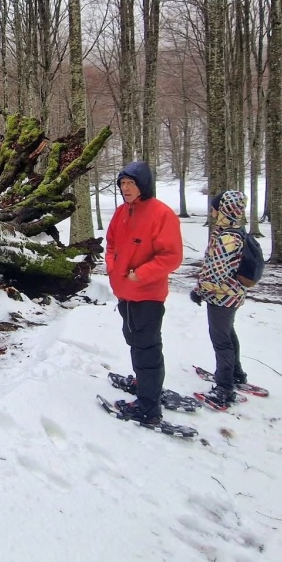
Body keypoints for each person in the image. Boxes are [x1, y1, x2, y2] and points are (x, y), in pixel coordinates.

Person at [104, 161, 184, 425]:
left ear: (143, 186)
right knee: (132, 338)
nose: (126, 188)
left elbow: (171, 256)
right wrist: (113, 267)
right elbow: (112, 242)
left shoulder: (162, 214)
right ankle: (143, 381)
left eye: (131, 183)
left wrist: (142, 273)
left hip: (148, 294)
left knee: (147, 347)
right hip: (124, 292)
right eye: (122, 184)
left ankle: (149, 407)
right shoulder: (121, 212)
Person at [190, 190, 249, 407]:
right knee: (228, 334)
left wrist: (199, 291)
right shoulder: (237, 232)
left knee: (221, 340)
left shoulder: (226, 238)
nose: (212, 212)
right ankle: (237, 374)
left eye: (215, 208)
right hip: (233, 294)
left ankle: (225, 387)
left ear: (223, 210)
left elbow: (214, 275)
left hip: (222, 297)